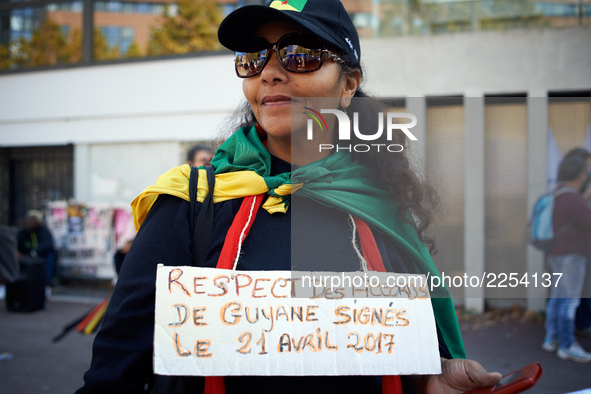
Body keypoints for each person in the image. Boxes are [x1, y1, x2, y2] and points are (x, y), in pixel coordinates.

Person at [77, 1, 502, 392]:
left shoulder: (381, 206)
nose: (271, 72)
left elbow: (404, 354)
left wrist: (431, 383)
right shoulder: (191, 202)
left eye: (301, 54)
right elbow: (115, 372)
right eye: (254, 56)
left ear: (348, 83)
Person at [541, 154, 591, 362]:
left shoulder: (557, 194)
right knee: (569, 302)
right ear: (581, 174)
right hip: (572, 256)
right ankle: (567, 345)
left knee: (557, 298)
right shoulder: (573, 197)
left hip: (556, 254)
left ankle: (551, 339)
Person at [16, 210, 57, 291]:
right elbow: (18, 245)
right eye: (28, 220)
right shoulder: (22, 233)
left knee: (50, 255)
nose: (30, 222)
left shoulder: (43, 232)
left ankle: (47, 284)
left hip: (41, 255)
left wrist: (34, 253)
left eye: (33, 220)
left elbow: (47, 245)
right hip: (26, 256)